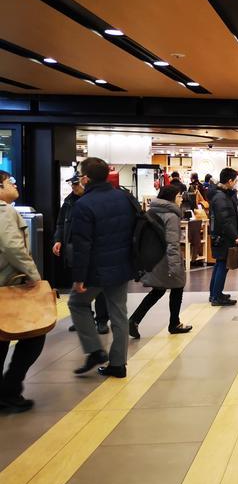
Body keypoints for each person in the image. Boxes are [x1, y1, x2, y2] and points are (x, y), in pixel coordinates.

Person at [69, 157, 137, 379]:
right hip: (122, 265)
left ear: (87, 178)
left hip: (96, 269)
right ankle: (118, 364)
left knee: (77, 303)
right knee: (119, 313)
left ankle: (95, 350)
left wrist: (79, 277)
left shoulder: (84, 205)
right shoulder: (124, 197)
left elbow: (82, 246)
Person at [0, 172, 46, 412]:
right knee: (34, 335)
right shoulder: (5, 211)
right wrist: (34, 276)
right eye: (10, 182)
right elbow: (12, 247)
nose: (15, 185)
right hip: (7, 287)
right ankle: (9, 390)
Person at [128, 185, 191, 338]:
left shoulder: (152, 211)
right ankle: (174, 323)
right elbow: (172, 244)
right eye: (179, 196)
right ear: (171, 198)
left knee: (158, 290)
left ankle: (134, 320)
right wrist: (175, 267)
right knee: (177, 286)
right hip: (166, 259)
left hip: (153, 258)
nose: (181, 198)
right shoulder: (171, 216)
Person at [54, 172, 110, 334]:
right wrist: (58, 239)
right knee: (79, 285)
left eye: (76, 184)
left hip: (95, 249)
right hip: (75, 249)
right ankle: (85, 319)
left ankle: (102, 320)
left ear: (85, 182)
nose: (74, 188)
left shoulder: (95, 200)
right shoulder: (68, 202)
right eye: (72, 185)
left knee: (99, 287)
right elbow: (60, 223)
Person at [208, 167, 238, 306]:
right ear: (230, 181)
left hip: (220, 236)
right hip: (223, 237)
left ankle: (215, 294)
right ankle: (216, 297)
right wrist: (235, 236)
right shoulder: (221, 197)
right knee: (222, 265)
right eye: (235, 181)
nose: (236, 183)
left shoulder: (220, 195)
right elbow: (225, 220)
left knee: (219, 265)